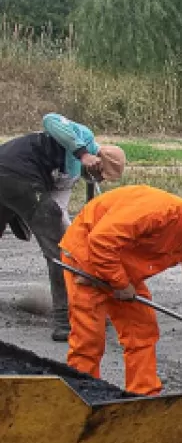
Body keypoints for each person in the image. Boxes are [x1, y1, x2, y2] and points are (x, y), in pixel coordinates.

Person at [60, 185, 182, 396]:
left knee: (142, 331)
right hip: (85, 258)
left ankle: (142, 395)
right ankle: (82, 394)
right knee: (89, 338)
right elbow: (101, 240)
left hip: (120, 264)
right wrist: (119, 284)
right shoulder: (157, 213)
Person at [0, 113, 125, 341]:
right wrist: (83, 153)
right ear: (97, 162)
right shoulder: (83, 138)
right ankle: (65, 321)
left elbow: (58, 213)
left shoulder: (70, 175)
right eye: (101, 175)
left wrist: (76, 242)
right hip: (16, 172)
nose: (99, 180)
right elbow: (50, 120)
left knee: (64, 244)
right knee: (60, 253)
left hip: (13, 178)